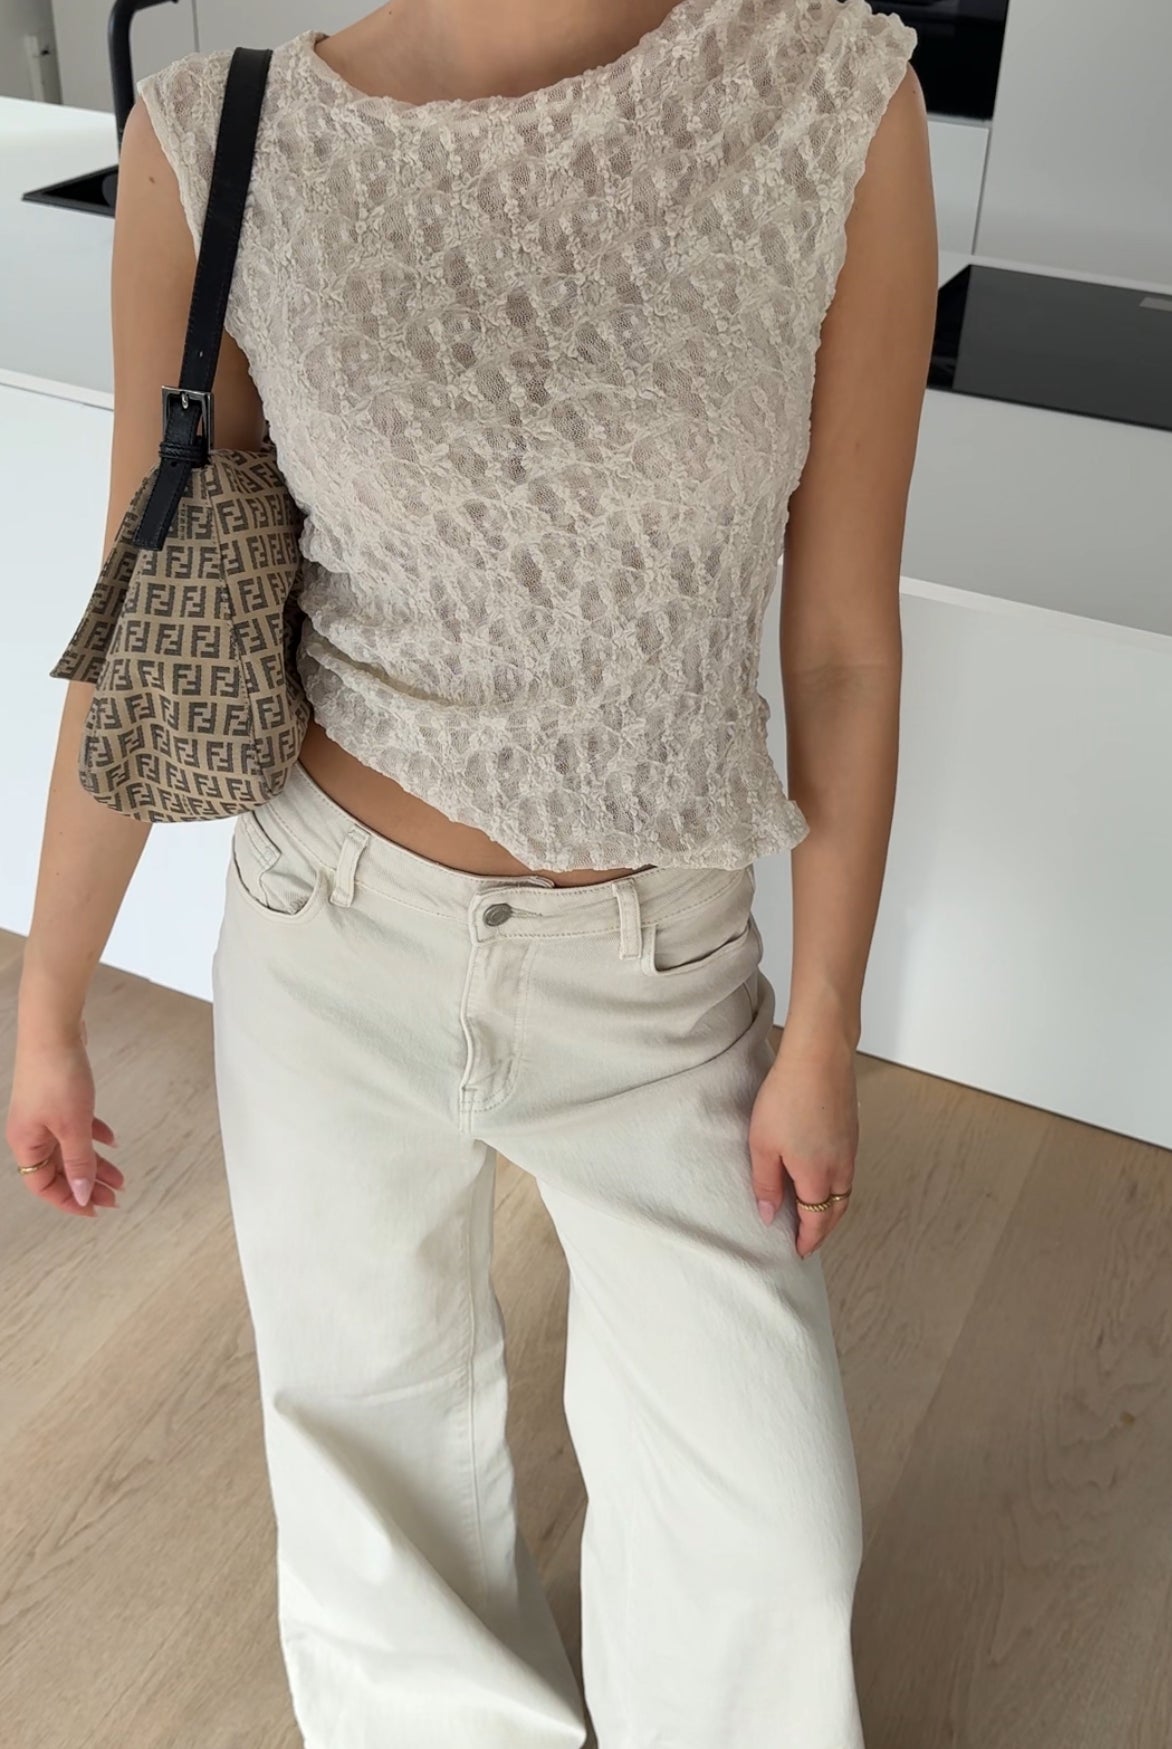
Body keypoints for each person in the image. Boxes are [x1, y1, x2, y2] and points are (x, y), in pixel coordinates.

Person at [7, 1, 937, 1744]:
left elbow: (839, 645)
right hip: (328, 932)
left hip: (658, 966)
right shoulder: (222, 136)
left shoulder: (829, 100)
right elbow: (158, 605)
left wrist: (823, 1021)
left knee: (772, 1544)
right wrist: (50, 996)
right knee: (372, 1467)